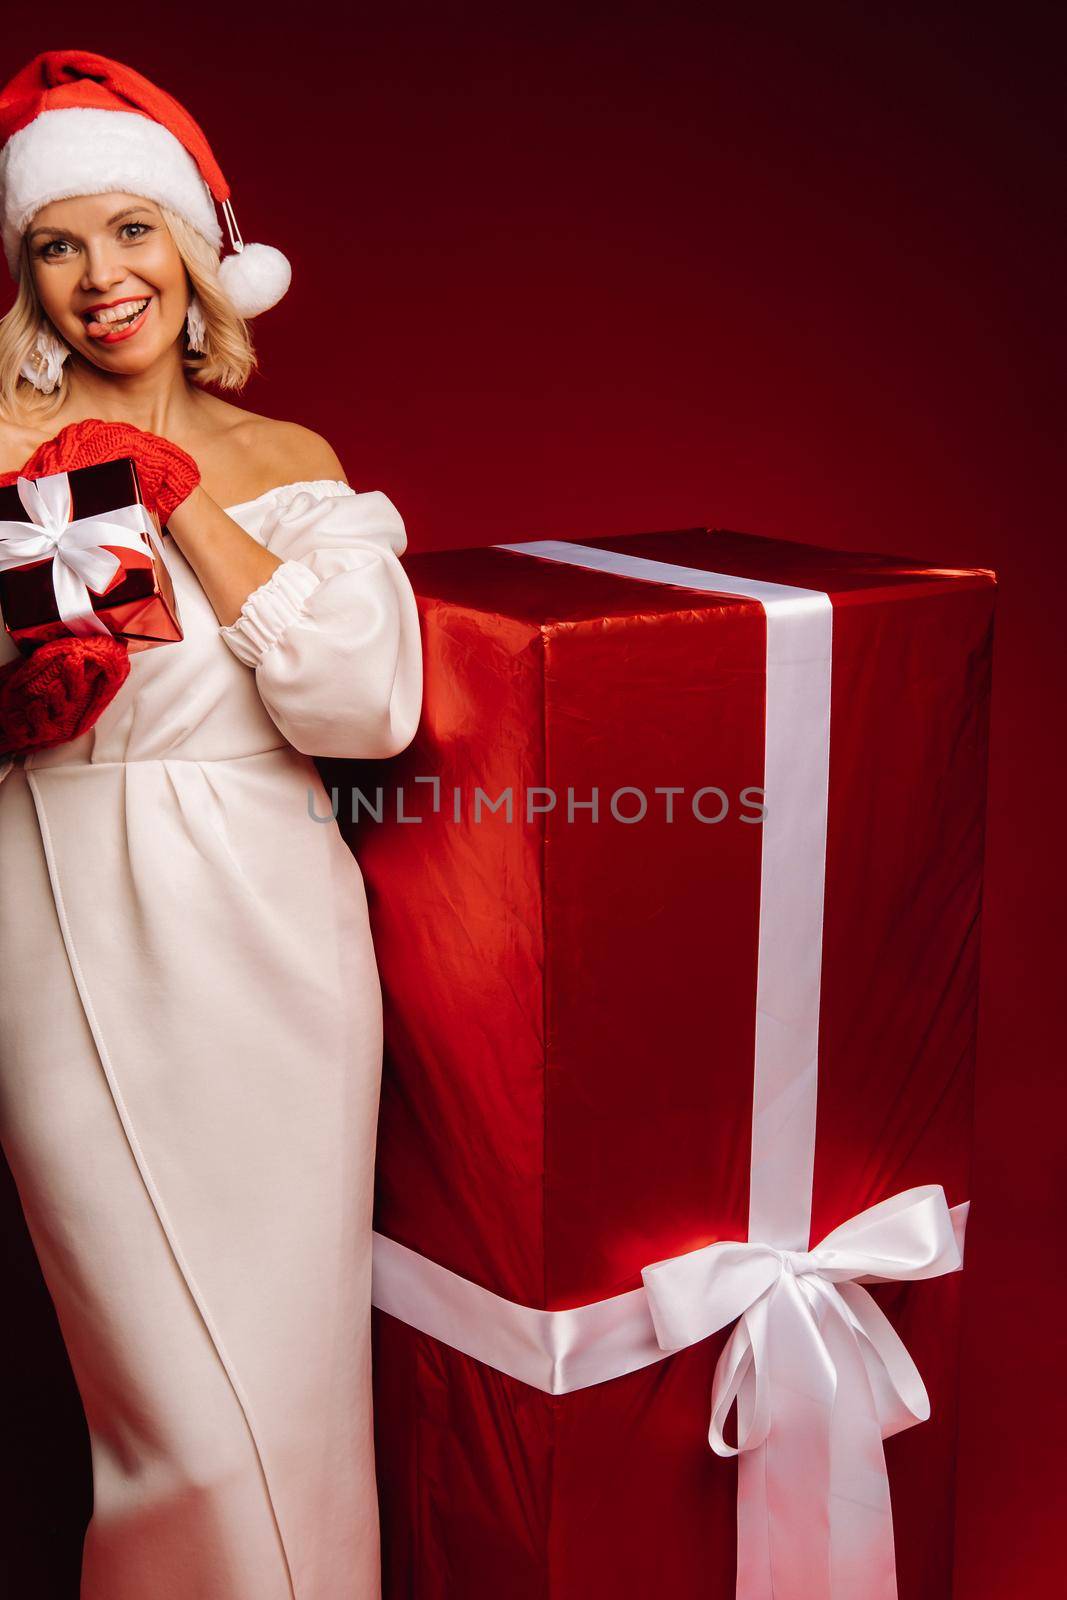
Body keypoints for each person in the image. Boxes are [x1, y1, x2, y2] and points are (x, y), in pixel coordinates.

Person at [0, 50, 423, 1600]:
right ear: (27, 276)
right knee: (178, 1413)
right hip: (59, 911)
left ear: (194, 250)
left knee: (296, 1400)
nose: (101, 276)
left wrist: (170, 497)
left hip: (278, 937)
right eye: (57, 242)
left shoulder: (288, 463)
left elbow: (362, 709)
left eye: (132, 230)